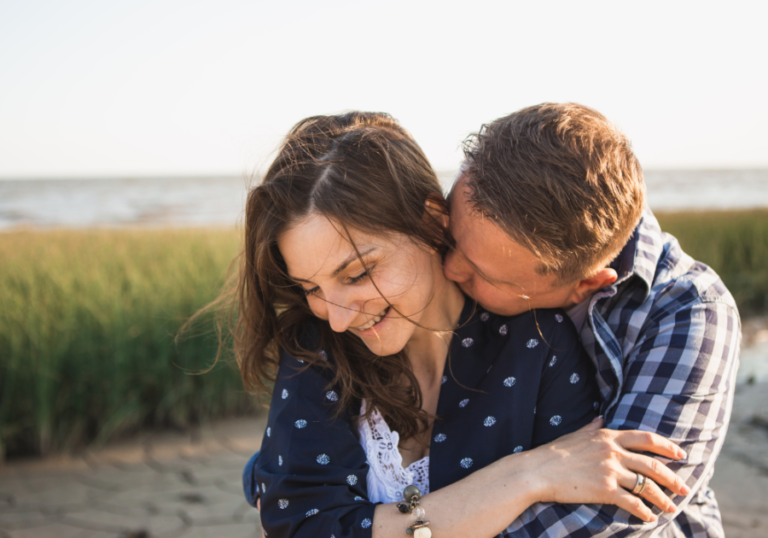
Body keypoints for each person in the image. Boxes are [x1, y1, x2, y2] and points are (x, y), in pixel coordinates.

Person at [232, 111, 689, 538]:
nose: (337, 315)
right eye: (311, 288)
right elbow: (301, 523)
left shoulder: (539, 345)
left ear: (431, 220)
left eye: (357, 274)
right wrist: (525, 475)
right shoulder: (316, 346)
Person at [443, 102, 741, 537]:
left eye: (481, 273)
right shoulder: (464, 249)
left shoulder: (690, 314)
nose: (449, 270)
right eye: (449, 236)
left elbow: (613, 516)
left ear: (587, 284)